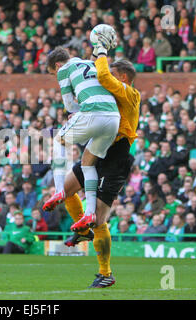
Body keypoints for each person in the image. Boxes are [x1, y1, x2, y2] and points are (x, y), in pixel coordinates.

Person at [43, 36, 140, 288]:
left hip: (116, 156)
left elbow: (103, 76)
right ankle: (82, 230)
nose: (101, 77)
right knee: (65, 190)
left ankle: (106, 273)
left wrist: (100, 52)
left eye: (108, 74)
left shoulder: (130, 94)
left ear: (123, 78)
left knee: (99, 220)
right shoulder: (106, 94)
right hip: (97, 149)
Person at [44, 42, 120, 231]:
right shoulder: (90, 63)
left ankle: (60, 190)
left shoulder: (64, 70)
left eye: (53, 74)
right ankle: (89, 213)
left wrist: (77, 111)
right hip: (113, 118)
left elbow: (69, 105)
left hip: (93, 113)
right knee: (87, 162)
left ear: (57, 66)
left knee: (58, 141)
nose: (56, 76)